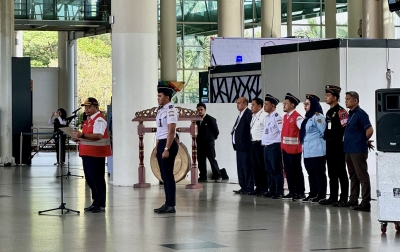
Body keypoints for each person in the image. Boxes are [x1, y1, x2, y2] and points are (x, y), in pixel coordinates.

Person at [72, 97, 112, 213]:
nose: (87, 109)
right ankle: (95, 202)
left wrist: (82, 136)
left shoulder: (99, 120)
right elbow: (87, 136)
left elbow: (98, 136)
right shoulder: (88, 120)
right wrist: (78, 139)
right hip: (87, 153)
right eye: (85, 107)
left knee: (97, 178)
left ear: (96, 107)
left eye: (89, 107)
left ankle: (101, 204)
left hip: (96, 154)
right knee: (90, 179)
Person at [343, 91, 374, 212]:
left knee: (362, 176)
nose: (346, 101)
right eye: (345, 99)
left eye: (348, 99)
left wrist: (363, 141)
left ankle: (366, 202)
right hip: (349, 150)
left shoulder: (361, 114)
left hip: (357, 149)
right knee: (353, 176)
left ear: (355, 101)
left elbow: (370, 130)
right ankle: (353, 199)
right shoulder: (350, 114)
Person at [319, 85, 349, 207]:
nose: (325, 97)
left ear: (335, 97)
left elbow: (346, 129)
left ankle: (343, 197)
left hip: (338, 145)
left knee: (341, 171)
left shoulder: (341, 111)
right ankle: (333, 196)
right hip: (329, 145)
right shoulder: (329, 112)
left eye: (328, 95)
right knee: (331, 172)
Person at [153, 84, 179, 214]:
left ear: (167, 98)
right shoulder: (161, 110)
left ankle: (171, 205)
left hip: (168, 143)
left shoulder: (171, 110)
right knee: (163, 175)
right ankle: (167, 202)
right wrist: (158, 146)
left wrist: (167, 148)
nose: (158, 98)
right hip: (162, 143)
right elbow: (160, 131)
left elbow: (171, 131)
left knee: (168, 175)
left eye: (160, 96)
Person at [300, 94, 327, 203]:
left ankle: (321, 195)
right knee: (311, 173)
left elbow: (324, 132)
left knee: (319, 173)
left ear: (313, 105)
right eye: (304, 104)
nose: (305, 106)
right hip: (307, 152)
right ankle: (313, 193)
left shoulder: (318, 116)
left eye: (307, 104)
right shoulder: (307, 118)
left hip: (317, 151)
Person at [281, 93, 305, 201]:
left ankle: (300, 192)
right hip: (285, 149)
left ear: (292, 105)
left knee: (296, 171)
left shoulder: (297, 117)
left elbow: (303, 130)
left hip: (295, 150)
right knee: (288, 171)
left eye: (286, 103)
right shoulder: (285, 117)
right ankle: (291, 191)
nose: (284, 105)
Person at [261, 94, 284, 199]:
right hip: (266, 146)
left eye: (266, 104)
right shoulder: (267, 117)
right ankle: (272, 189)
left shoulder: (277, 117)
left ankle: (279, 191)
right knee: (268, 169)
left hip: (274, 146)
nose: (264, 106)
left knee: (276, 169)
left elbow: (281, 132)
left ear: (273, 105)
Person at [232, 97, 254, 195]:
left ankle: (249, 186)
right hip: (239, 147)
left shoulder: (248, 114)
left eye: (239, 103)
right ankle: (243, 186)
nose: (237, 105)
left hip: (246, 146)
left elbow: (250, 129)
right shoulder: (240, 114)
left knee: (247, 167)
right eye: (237, 103)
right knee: (240, 167)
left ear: (245, 104)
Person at [196, 103, 222, 182]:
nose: (200, 111)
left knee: (212, 159)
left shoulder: (211, 119)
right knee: (201, 160)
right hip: (199, 144)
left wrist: (210, 139)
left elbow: (216, 132)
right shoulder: (196, 120)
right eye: (198, 110)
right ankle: (203, 176)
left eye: (201, 110)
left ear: (205, 110)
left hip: (208, 144)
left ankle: (217, 175)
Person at [249, 98, 269, 196]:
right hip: (253, 143)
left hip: (260, 144)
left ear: (259, 106)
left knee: (262, 167)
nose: (251, 107)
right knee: (255, 167)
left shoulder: (264, 115)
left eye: (253, 105)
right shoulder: (253, 116)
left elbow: (266, 130)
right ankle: (258, 187)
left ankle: (264, 187)